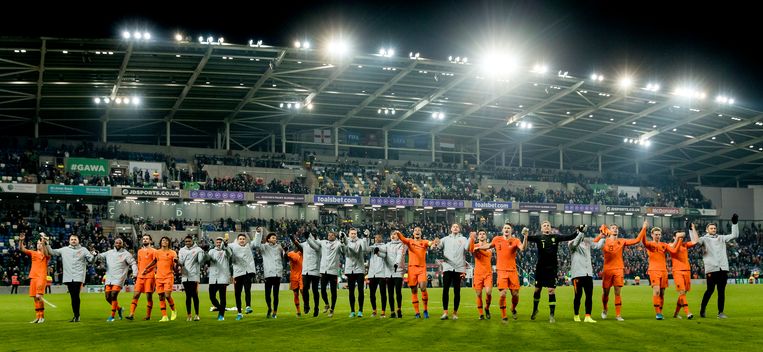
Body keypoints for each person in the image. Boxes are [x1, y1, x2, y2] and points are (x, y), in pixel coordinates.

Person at [527, 221, 580, 323]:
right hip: (540, 268)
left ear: (550, 228)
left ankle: (552, 314)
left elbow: (568, 237)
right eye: (544, 226)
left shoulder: (556, 237)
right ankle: (535, 309)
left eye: (548, 226)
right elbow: (526, 238)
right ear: (541, 228)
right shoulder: (538, 237)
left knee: (551, 290)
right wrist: (524, 234)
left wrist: (578, 231)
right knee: (537, 290)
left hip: (552, 268)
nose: (546, 227)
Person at [594, 221, 646, 321]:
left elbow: (637, 240)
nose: (615, 229)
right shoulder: (604, 241)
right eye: (613, 228)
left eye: (616, 228)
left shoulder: (621, 241)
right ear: (609, 230)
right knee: (605, 293)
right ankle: (605, 309)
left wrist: (643, 228)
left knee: (617, 292)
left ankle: (618, 315)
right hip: (607, 270)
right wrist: (601, 236)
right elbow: (594, 244)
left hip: (618, 269)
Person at [696, 214, 739, 319]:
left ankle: (720, 312)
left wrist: (734, 223)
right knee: (710, 290)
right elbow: (696, 241)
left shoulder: (721, 238)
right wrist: (691, 230)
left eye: (715, 228)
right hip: (711, 268)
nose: (713, 229)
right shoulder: (704, 239)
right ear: (707, 230)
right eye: (711, 228)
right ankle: (702, 309)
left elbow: (735, 235)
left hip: (723, 268)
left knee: (721, 291)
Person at [485, 222, 529, 321]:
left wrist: (525, 237)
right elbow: (488, 246)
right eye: (505, 228)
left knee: (515, 294)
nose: (506, 229)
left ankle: (513, 308)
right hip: (501, 270)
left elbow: (523, 248)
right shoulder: (497, 239)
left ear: (511, 230)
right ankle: (504, 315)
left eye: (508, 228)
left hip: (512, 271)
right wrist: (477, 247)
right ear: (502, 230)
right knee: (503, 293)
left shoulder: (516, 240)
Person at [47, 233, 94, 322]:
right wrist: (46, 243)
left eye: (75, 239)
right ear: (69, 241)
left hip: (78, 276)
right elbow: (52, 252)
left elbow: (91, 260)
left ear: (78, 240)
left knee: (75, 296)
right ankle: (76, 315)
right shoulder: (64, 249)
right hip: (68, 277)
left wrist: (94, 256)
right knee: (73, 296)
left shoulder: (83, 250)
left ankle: (77, 316)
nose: (73, 241)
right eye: (72, 239)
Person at [93, 237, 138, 322]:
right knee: (107, 297)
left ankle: (112, 316)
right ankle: (119, 309)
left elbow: (133, 263)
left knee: (113, 295)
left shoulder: (126, 254)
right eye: (116, 243)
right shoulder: (109, 252)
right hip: (109, 277)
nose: (118, 244)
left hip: (119, 278)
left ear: (122, 244)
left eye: (119, 243)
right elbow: (99, 256)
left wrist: (135, 274)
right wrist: (95, 253)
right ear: (114, 244)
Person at [433, 223, 470, 320]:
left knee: (457, 291)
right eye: (453, 226)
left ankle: (455, 313)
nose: (455, 228)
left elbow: (468, 248)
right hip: (448, 267)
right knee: (445, 290)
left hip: (459, 268)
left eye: (457, 227)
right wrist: (435, 244)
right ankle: (445, 312)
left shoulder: (464, 239)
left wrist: (471, 238)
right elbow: (436, 247)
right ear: (450, 229)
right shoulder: (445, 239)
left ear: (459, 229)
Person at [397, 227, 435, 318]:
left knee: (422, 287)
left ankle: (425, 310)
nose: (417, 232)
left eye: (419, 230)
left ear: (421, 233)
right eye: (415, 230)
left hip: (422, 268)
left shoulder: (424, 242)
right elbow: (402, 238)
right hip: (412, 268)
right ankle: (417, 312)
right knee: (414, 290)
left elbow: (430, 243)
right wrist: (398, 233)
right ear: (413, 233)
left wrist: (433, 245)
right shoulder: (409, 241)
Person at [307, 230, 345, 317]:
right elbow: (315, 242)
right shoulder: (323, 242)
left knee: (333, 291)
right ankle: (327, 303)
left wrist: (343, 242)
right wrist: (311, 236)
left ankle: (332, 309)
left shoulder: (338, 243)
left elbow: (343, 250)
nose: (330, 236)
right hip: (324, 270)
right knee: (323, 289)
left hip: (333, 271)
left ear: (335, 236)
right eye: (329, 235)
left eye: (332, 235)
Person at [569, 225, 602, 323]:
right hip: (577, 273)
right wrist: (581, 232)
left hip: (588, 273)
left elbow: (597, 245)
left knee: (589, 296)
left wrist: (604, 236)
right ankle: (576, 315)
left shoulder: (587, 242)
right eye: (578, 231)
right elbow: (576, 243)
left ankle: (588, 316)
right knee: (578, 295)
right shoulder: (571, 243)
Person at [18, 232, 51, 323]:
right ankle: (37, 317)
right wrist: (21, 240)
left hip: (41, 277)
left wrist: (44, 241)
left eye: (40, 243)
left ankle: (42, 317)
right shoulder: (33, 253)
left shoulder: (46, 255)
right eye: (37, 243)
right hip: (33, 277)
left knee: (38, 296)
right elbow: (22, 249)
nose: (39, 245)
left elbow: (45, 252)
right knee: (35, 298)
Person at [254, 228, 285, 319]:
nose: (275, 239)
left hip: (277, 274)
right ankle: (269, 308)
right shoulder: (264, 247)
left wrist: (284, 252)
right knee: (267, 294)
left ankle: (275, 311)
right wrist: (258, 233)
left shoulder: (279, 247)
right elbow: (256, 244)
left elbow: (283, 257)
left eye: (275, 238)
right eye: (273, 237)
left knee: (276, 294)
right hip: (268, 274)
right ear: (268, 239)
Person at [667, 225, 697, 320]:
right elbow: (673, 248)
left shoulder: (684, 245)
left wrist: (693, 229)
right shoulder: (670, 245)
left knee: (683, 294)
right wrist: (678, 238)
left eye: (681, 237)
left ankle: (676, 314)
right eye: (678, 236)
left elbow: (695, 241)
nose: (680, 238)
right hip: (677, 271)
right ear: (674, 237)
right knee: (682, 291)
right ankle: (688, 312)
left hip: (687, 270)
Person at [642, 225, 669, 320]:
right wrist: (644, 228)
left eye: (659, 234)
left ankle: (660, 312)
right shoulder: (650, 244)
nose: (658, 236)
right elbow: (644, 241)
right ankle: (658, 313)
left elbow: (673, 249)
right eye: (656, 234)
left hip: (663, 271)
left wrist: (678, 239)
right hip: (653, 270)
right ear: (652, 235)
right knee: (656, 291)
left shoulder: (664, 245)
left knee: (662, 293)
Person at [127, 234, 156, 321]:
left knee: (148, 296)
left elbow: (155, 262)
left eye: (147, 239)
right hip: (140, 276)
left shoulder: (154, 251)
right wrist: (136, 274)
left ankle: (148, 316)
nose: (145, 240)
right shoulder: (139, 251)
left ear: (150, 241)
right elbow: (139, 263)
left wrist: (147, 270)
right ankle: (131, 314)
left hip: (150, 276)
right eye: (144, 239)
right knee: (135, 295)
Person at [293, 229, 320, 317]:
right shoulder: (305, 244)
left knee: (315, 290)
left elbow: (313, 246)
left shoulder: (318, 244)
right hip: (306, 271)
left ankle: (316, 308)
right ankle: (306, 305)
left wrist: (308, 238)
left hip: (315, 270)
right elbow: (298, 246)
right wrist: (293, 239)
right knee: (305, 290)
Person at [230, 232, 257, 320]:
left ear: (246, 240)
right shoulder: (233, 246)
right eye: (240, 239)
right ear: (237, 240)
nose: (242, 240)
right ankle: (239, 313)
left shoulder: (248, 246)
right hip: (237, 273)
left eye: (243, 239)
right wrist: (224, 243)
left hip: (247, 272)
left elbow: (256, 242)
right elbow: (225, 247)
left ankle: (248, 306)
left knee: (247, 290)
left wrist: (258, 233)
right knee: (237, 294)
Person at [178, 235, 205, 321]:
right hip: (185, 275)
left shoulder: (198, 250)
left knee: (195, 295)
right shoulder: (182, 250)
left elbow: (201, 261)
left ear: (192, 241)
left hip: (194, 275)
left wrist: (202, 254)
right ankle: (189, 315)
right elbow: (181, 262)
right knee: (188, 296)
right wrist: (176, 261)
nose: (187, 243)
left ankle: (197, 314)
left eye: (189, 241)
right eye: (186, 242)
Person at [468, 230, 493, 320]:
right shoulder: (475, 246)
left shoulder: (489, 246)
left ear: (486, 236)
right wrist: (471, 239)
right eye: (480, 234)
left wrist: (479, 249)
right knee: (478, 294)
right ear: (478, 237)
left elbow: (488, 254)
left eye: (483, 234)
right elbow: (471, 250)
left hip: (488, 273)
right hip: (478, 274)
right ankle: (481, 314)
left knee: (488, 292)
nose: (482, 235)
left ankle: (486, 308)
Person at [152, 236, 178, 322]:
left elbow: (175, 263)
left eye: (166, 240)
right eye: (163, 240)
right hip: (158, 277)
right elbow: (154, 262)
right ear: (161, 242)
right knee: (161, 297)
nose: (164, 241)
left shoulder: (172, 252)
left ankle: (173, 310)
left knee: (167, 295)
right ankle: (164, 316)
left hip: (168, 276)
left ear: (168, 243)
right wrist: (146, 269)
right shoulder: (157, 252)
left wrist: (176, 263)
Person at [344, 228, 368, 317]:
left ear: (357, 234)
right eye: (352, 233)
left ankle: (360, 310)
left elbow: (365, 249)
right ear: (349, 234)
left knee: (360, 291)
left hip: (359, 269)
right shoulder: (345, 241)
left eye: (355, 233)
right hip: (350, 270)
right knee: (351, 291)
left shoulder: (361, 241)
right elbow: (343, 251)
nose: (353, 235)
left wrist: (366, 238)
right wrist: (343, 242)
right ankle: (352, 311)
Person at [207, 234, 232, 321]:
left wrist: (225, 245)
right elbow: (207, 259)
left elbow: (230, 253)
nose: (218, 243)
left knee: (222, 297)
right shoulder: (211, 251)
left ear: (222, 243)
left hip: (223, 277)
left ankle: (221, 315)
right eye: (217, 242)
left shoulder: (226, 251)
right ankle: (220, 308)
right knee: (212, 297)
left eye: (219, 242)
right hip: (213, 277)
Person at [386, 230, 406, 318]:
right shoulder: (387, 245)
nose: (393, 236)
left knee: (398, 291)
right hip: (389, 271)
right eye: (392, 234)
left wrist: (397, 264)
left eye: (395, 234)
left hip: (398, 271)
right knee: (390, 293)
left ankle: (399, 309)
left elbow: (399, 255)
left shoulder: (402, 244)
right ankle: (392, 311)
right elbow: (382, 252)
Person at [368, 232, 388, 318]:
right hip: (372, 273)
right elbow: (366, 249)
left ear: (381, 238)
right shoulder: (372, 247)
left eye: (378, 237)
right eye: (375, 238)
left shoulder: (385, 246)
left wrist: (378, 253)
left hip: (382, 273)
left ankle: (383, 311)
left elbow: (385, 255)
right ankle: (374, 310)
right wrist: (366, 238)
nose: (377, 239)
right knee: (372, 293)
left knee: (383, 293)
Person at [286, 241, 304, 317]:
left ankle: (306, 305)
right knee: (296, 294)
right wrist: (285, 252)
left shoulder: (302, 252)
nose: (296, 246)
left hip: (302, 275)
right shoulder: (290, 253)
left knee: (302, 291)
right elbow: (286, 258)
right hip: (293, 276)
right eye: (295, 245)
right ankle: (298, 311)